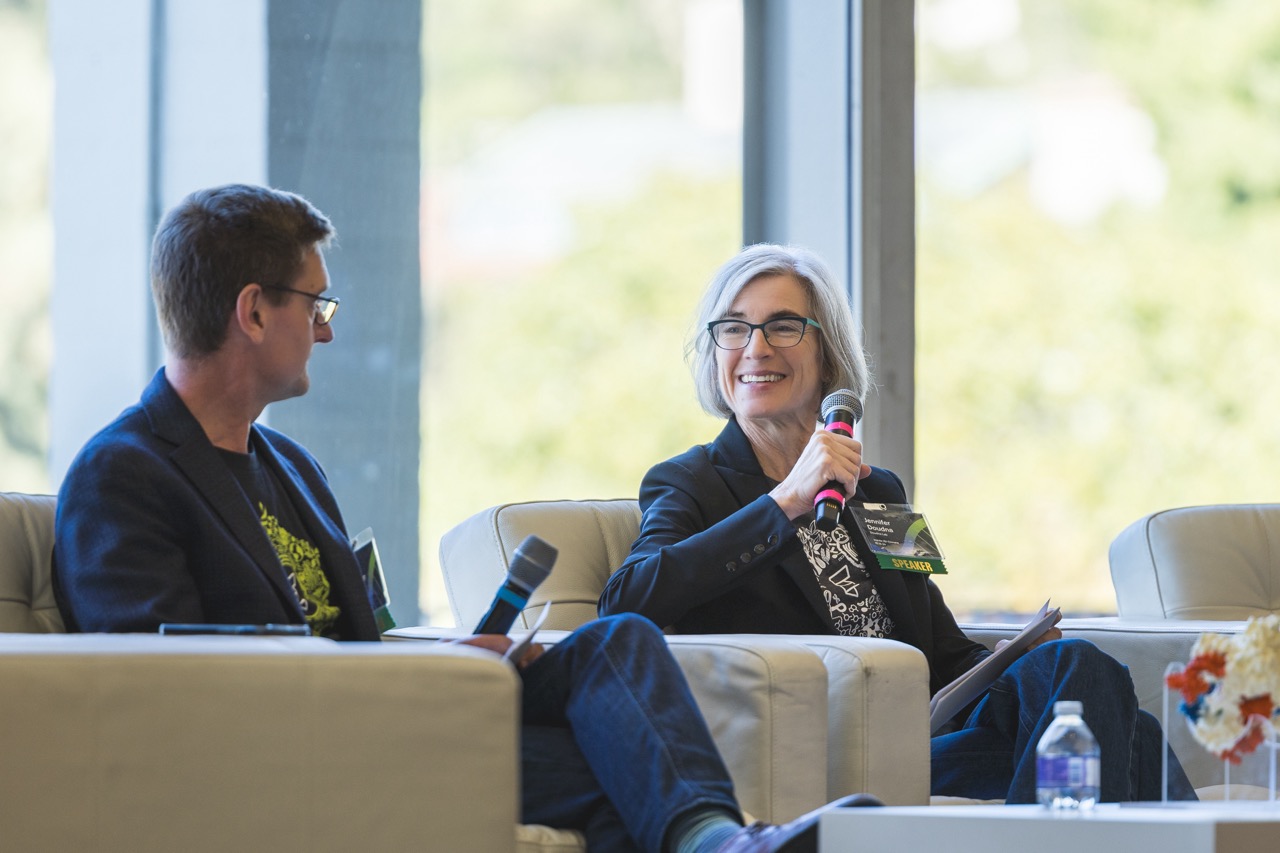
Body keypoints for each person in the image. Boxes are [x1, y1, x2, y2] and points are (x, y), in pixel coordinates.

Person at [51, 186, 878, 853]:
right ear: (253, 312)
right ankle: (712, 841)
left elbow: (356, 641)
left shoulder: (291, 469)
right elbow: (159, 689)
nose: (325, 331)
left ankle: (712, 841)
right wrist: (393, 683)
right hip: (291, 754)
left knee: (615, 645)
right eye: (315, 304)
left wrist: (443, 661)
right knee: (632, 778)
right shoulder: (125, 473)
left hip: (380, 720)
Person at [599, 243, 1195, 804]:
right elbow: (628, 599)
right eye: (734, 328)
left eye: (783, 326)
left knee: (1079, 674)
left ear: (827, 354)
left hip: (930, 737)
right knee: (1122, 728)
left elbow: (942, 649)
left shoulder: (879, 489)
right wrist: (787, 501)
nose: (756, 348)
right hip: (823, 756)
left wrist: (1024, 657)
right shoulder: (689, 481)